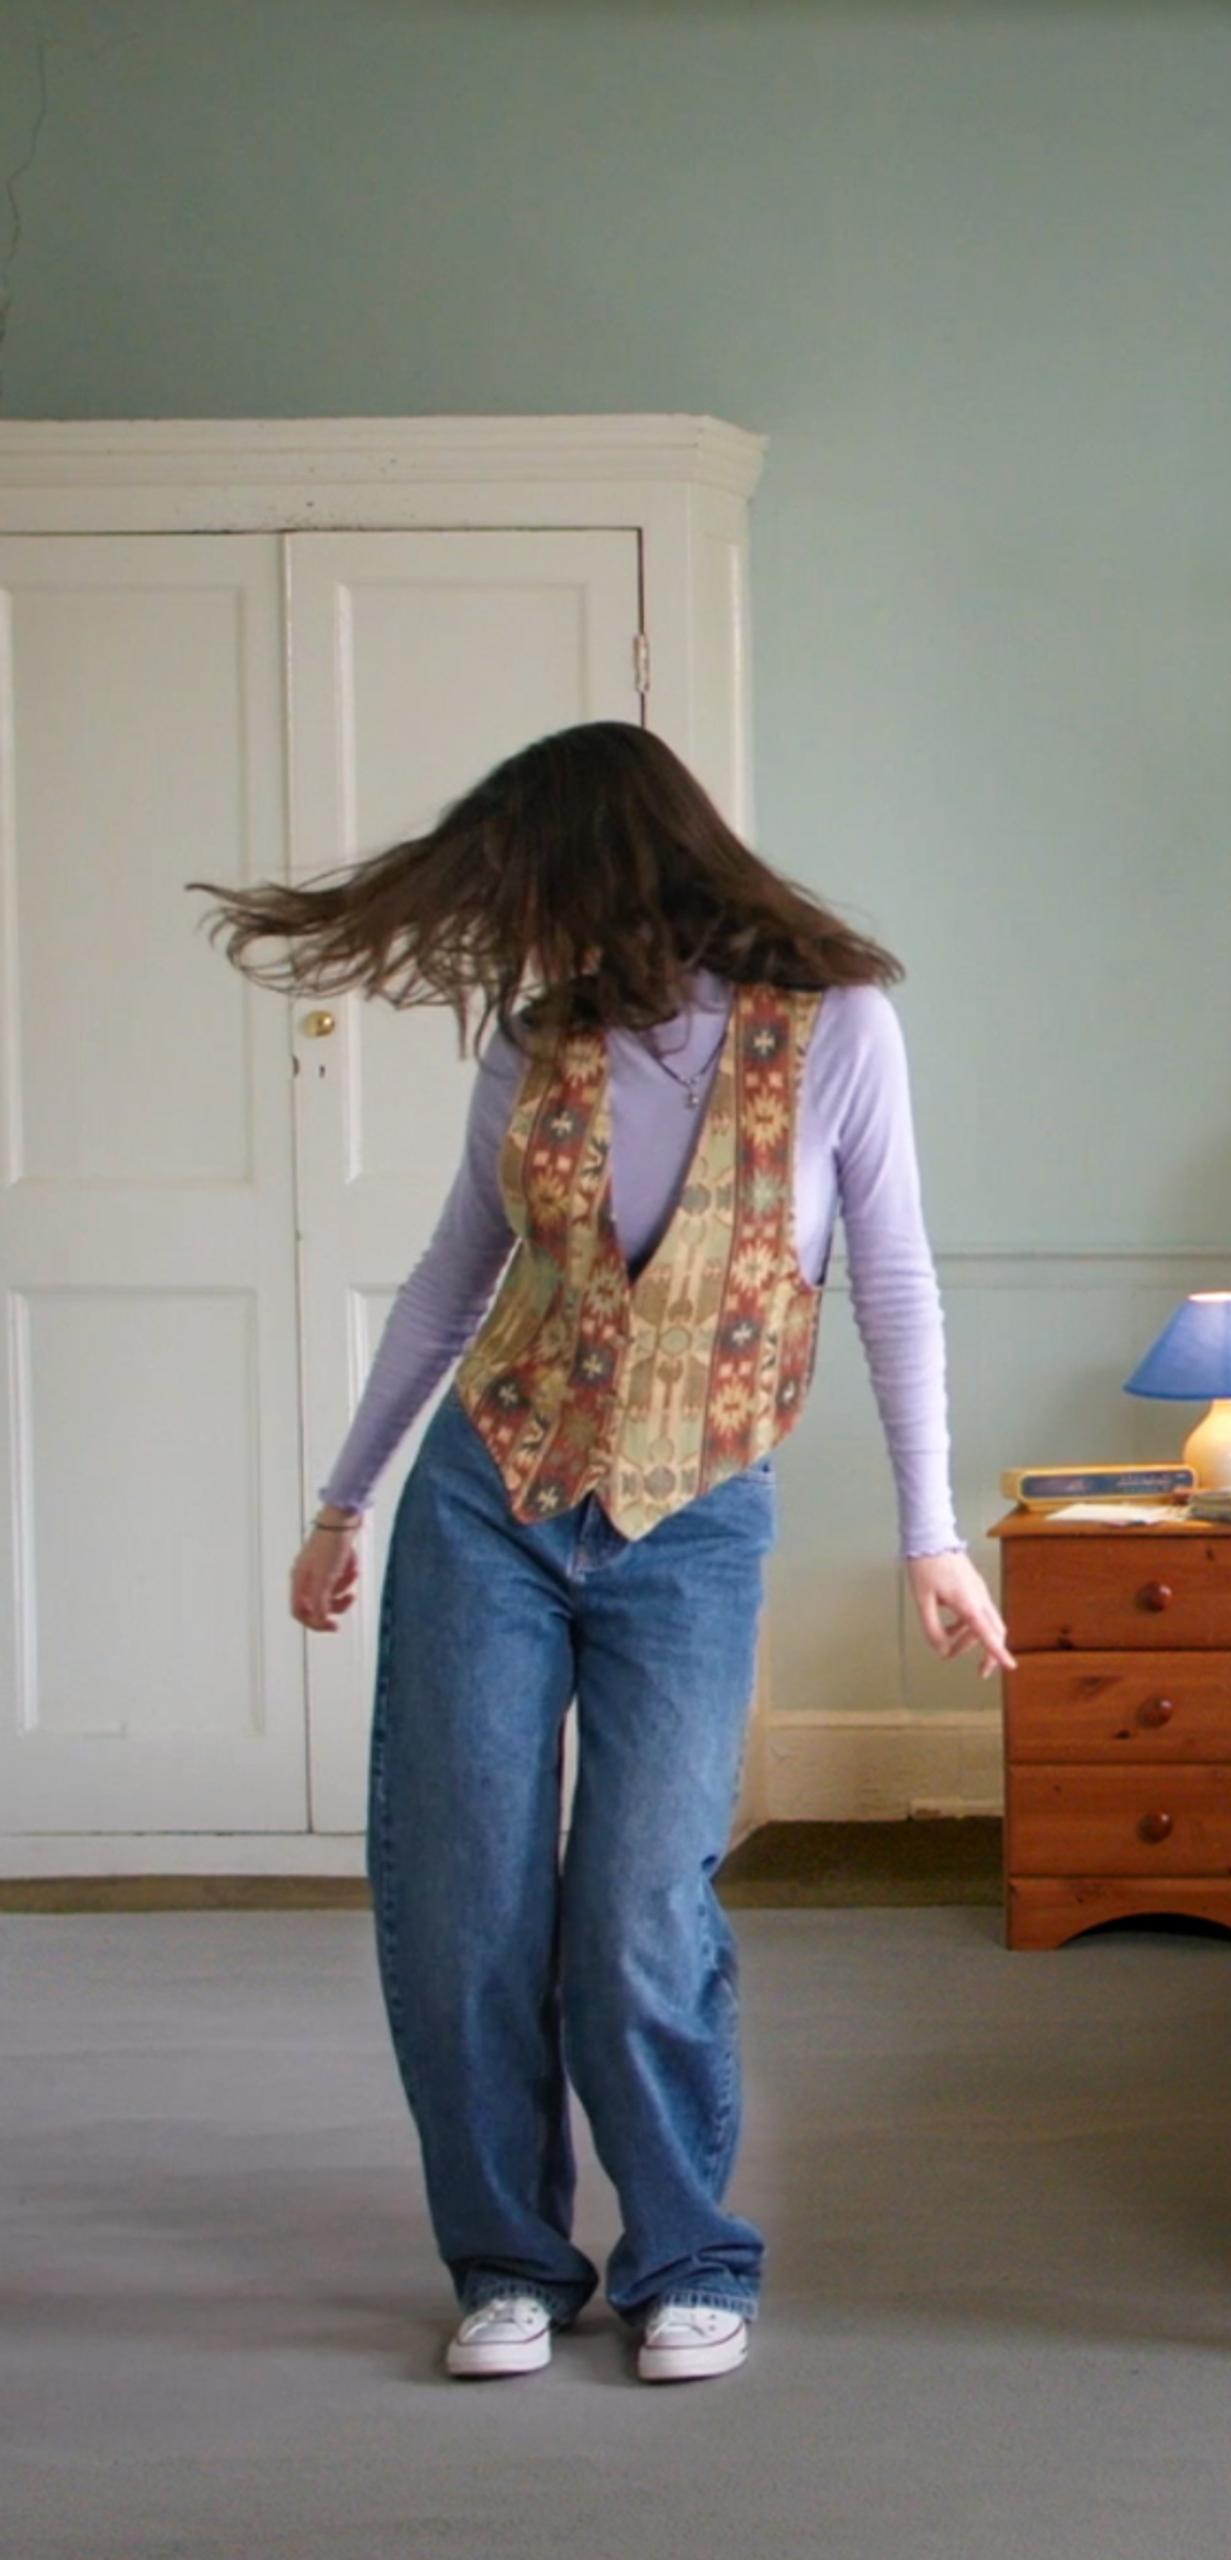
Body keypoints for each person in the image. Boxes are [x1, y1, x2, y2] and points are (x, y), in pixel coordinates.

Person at [204, 721, 1013, 2385]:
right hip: (486, 1506)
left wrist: (935, 1534)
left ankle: (684, 2257)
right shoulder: (537, 1044)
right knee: (463, 1904)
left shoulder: (838, 1029)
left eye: (540, 896)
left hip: (694, 1521)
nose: (524, 936)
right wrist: (342, 1502)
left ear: (623, 877)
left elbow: (897, 1282)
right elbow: (449, 1279)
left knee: (640, 1906)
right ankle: (505, 2258)